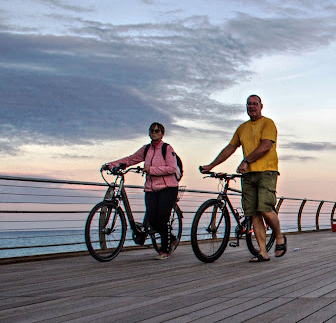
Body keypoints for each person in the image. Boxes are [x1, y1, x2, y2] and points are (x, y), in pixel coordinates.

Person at [200, 94, 286, 262]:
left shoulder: (268, 123)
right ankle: (262, 252)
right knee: (253, 213)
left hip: (266, 172)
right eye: (248, 104)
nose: (251, 106)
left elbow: (266, 146)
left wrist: (246, 160)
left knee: (265, 209)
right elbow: (229, 148)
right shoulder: (242, 128)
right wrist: (211, 166)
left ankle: (280, 237)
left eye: (255, 104)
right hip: (248, 175)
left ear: (261, 106)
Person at [103, 122, 181, 260]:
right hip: (151, 189)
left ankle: (165, 249)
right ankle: (172, 238)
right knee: (151, 218)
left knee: (162, 218)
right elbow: (130, 159)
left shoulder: (167, 148)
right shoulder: (146, 149)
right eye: (152, 130)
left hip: (168, 188)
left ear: (162, 133)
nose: (154, 132)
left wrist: (152, 170)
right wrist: (111, 164)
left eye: (157, 131)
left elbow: (172, 168)